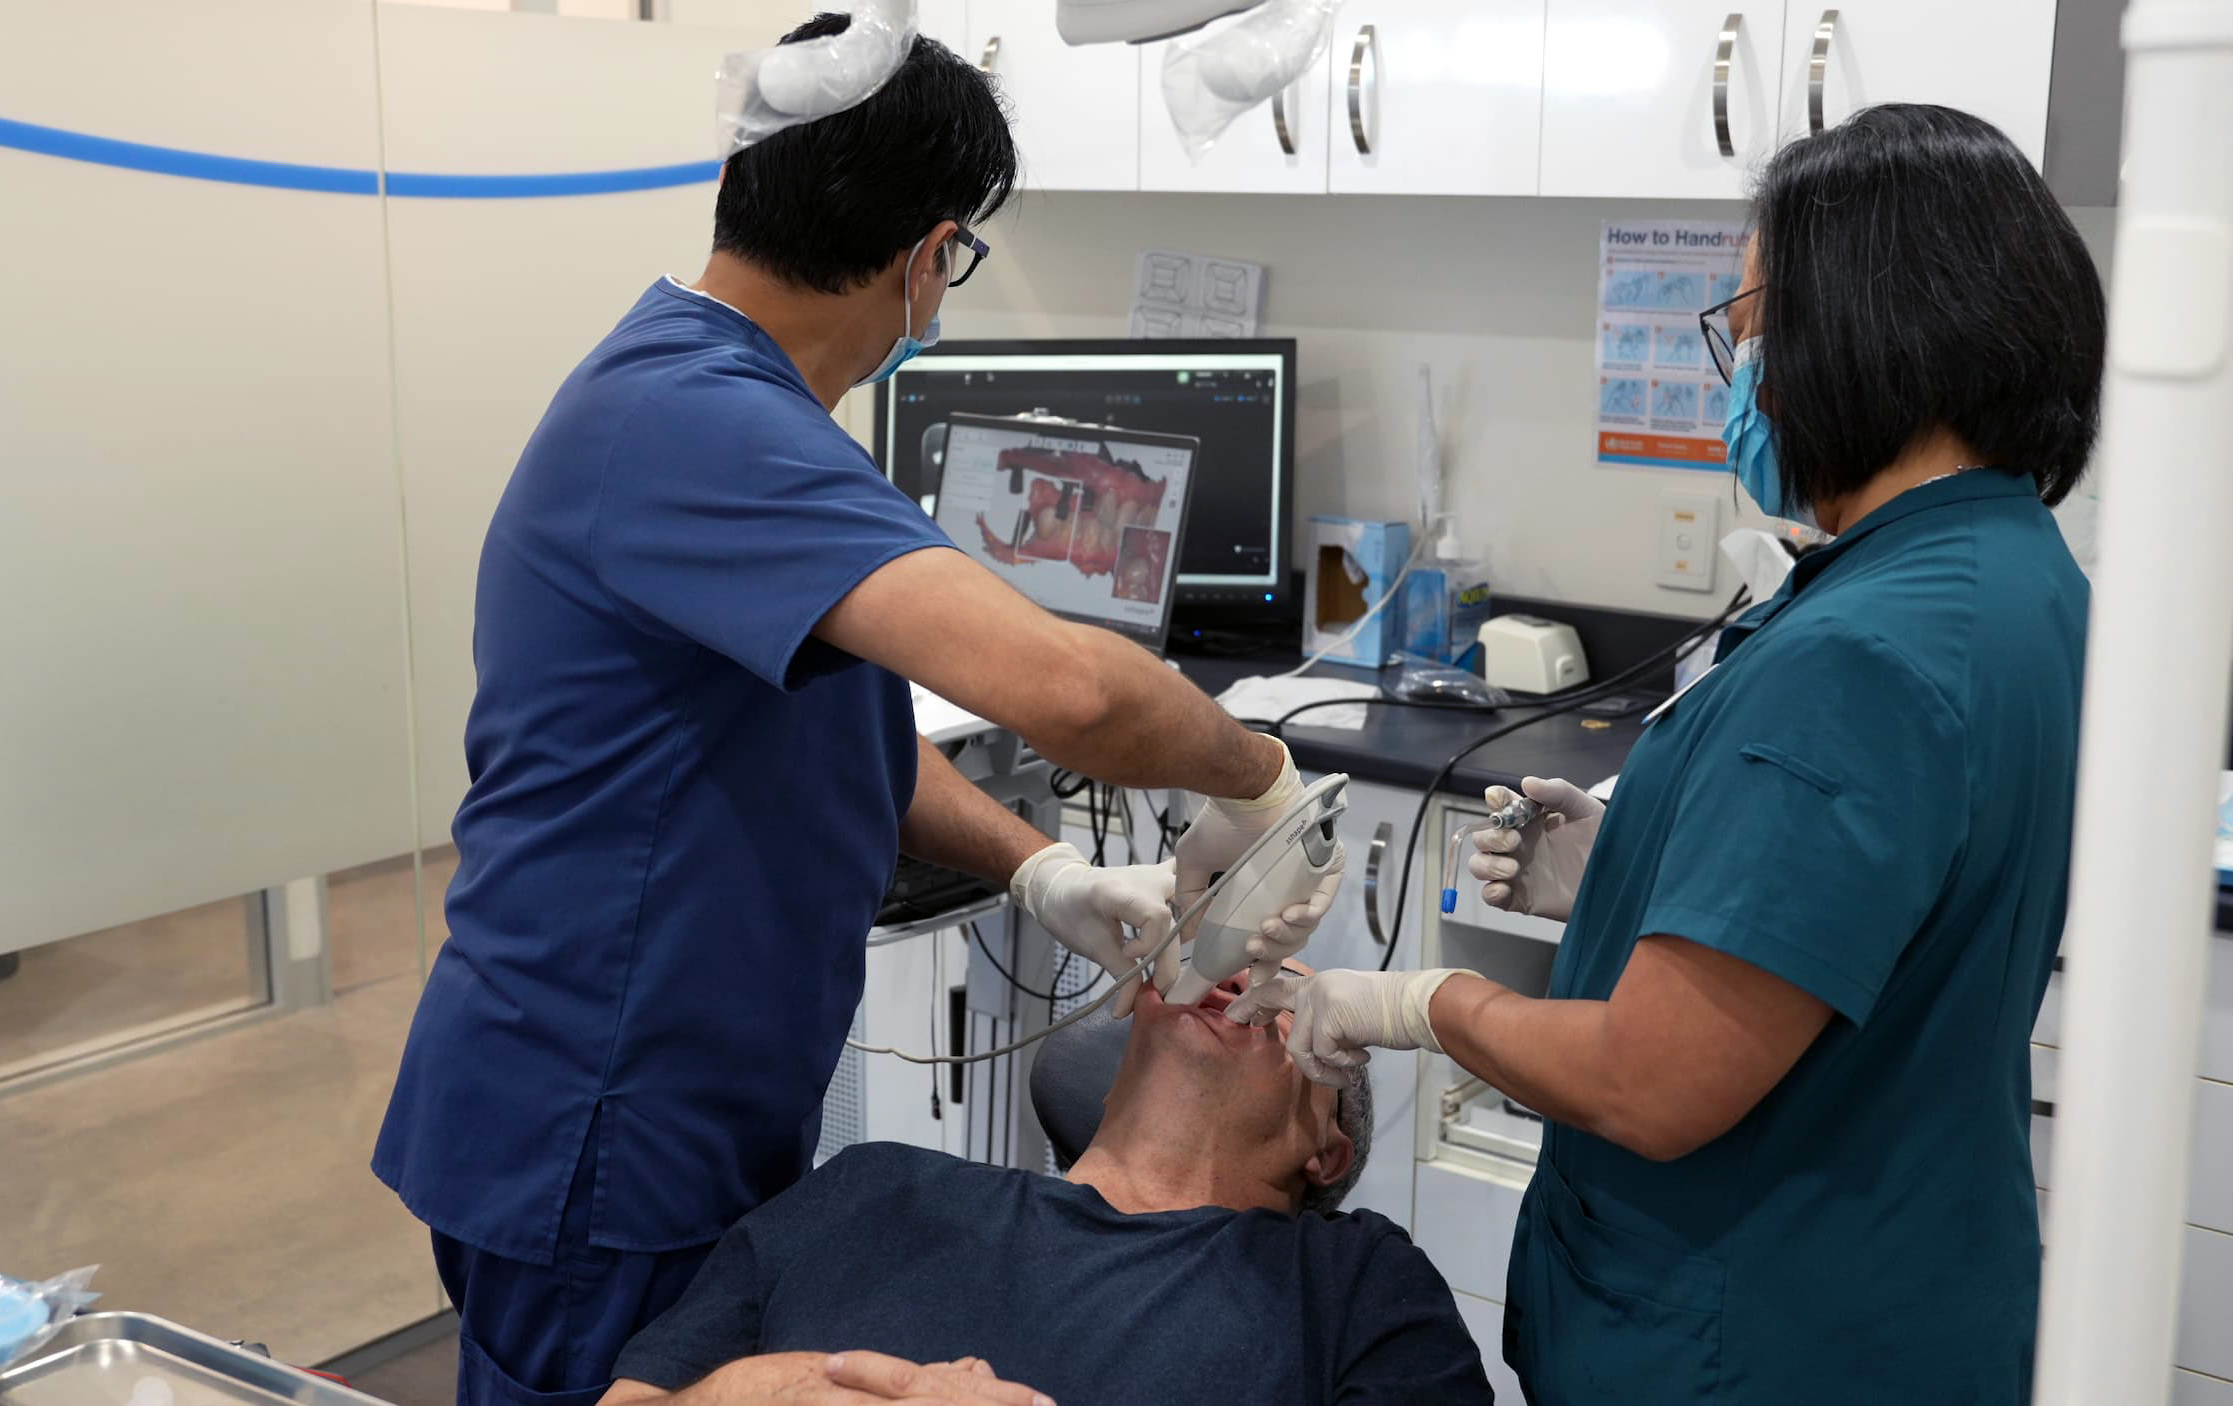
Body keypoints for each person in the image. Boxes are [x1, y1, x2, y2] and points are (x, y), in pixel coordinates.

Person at [371, 18, 1339, 1405]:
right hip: (598, 1125)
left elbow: (849, 748)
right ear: (928, 255)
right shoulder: (698, 423)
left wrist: (1042, 867)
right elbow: (1071, 688)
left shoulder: (719, 411)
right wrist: (1257, 779)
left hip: (652, 1105)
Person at [1233, 104, 2105, 1403]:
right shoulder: (2023, 583)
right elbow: (1884, 905)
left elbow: (1652, 1085)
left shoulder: (1857, 653)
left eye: (1745, 327)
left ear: (1860, 327)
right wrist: (1643, 872)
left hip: (1753, 1332)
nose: (1734, 371)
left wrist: (1415, 1002)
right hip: (1906, 1293)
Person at [597, 968, 1492, 1406]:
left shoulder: (1352, 1285)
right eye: (1236, 967)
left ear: (1325, 1151)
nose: (1248, 979)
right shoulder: (876, 1184)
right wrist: (784, 1391)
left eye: (1294, 999)